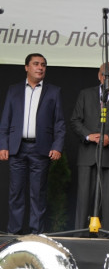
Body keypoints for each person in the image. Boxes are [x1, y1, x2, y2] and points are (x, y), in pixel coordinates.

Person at [0, 53, 65, 234]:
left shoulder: (53, 91)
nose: (40, 67)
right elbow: (5, 120)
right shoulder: (14, 90)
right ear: (26, 67)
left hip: (40, 149)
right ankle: (14, 233)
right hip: (17, 148)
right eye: (36, 64)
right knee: (16, 194)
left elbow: (59, 122)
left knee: (38, 194)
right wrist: (3, 145)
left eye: (43, 65)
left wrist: (57, 146)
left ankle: (36, 234)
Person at [70, 62, 109, 234]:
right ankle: (80, 235)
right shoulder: (85, 94)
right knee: (83, 199)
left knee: (108, 201)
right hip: (87, 155)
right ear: (99, 76)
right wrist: (88, 135)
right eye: (106, 74)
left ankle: (106, 237)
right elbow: (75, 120)